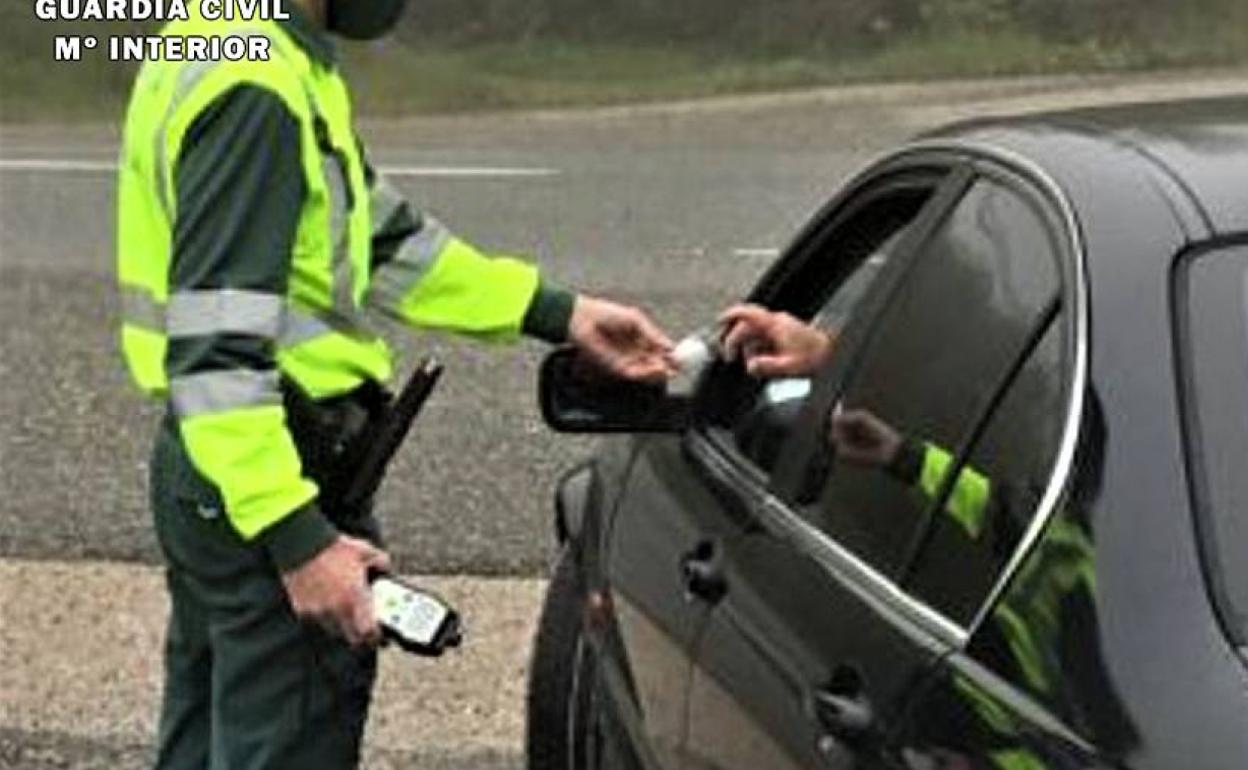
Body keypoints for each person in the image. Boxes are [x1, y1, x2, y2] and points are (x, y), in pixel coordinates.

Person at [115, 1, 674, 767]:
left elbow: (387, 241)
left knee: (208, 739)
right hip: (269, 470)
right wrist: (298, 538)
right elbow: (215, 357)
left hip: (220, 473)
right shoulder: (257, 89)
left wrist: (561, 315)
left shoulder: (236, 43)